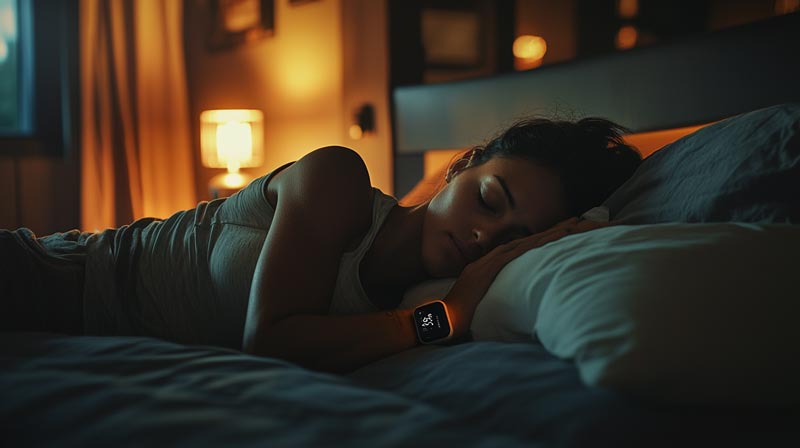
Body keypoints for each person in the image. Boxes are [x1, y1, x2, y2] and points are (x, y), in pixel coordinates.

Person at [0, 116, 641, 373]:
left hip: (76, 339)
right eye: (489, 200)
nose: (482, 236)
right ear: (457, 168)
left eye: (512, 239)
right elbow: (271, 339)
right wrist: (444, 315)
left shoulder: (420, 298)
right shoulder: (338, 179)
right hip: (57, 276)